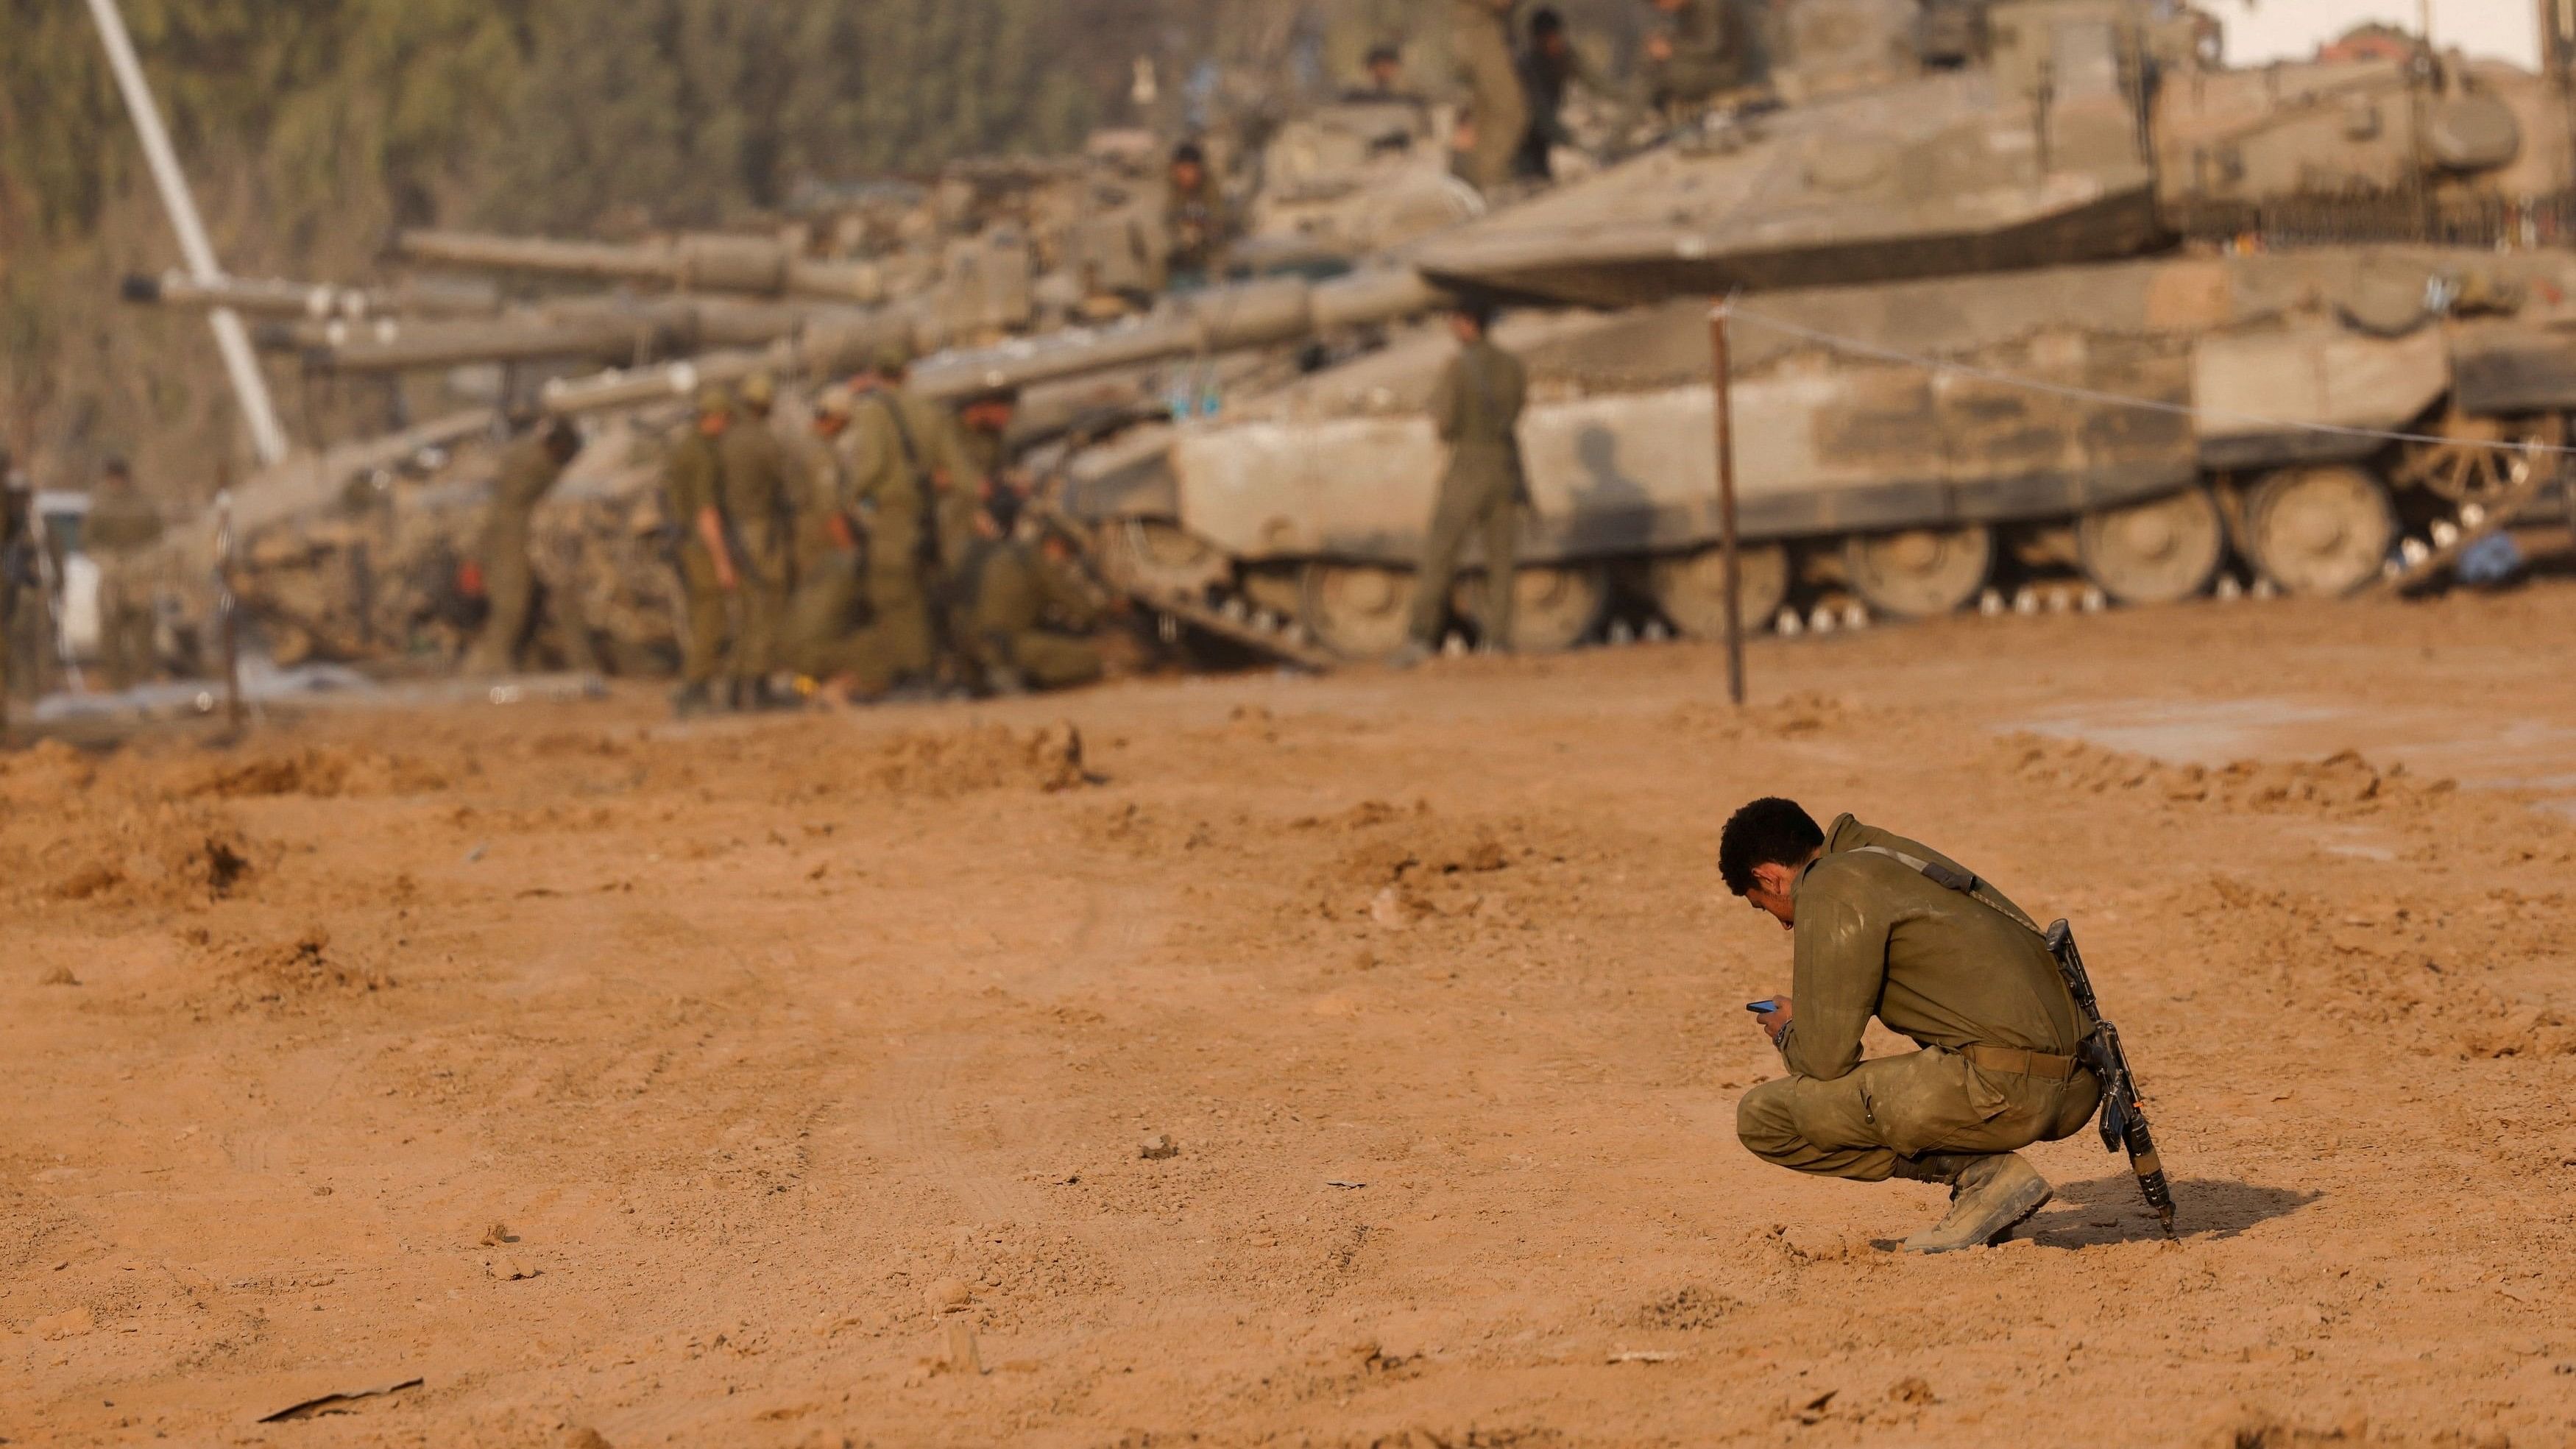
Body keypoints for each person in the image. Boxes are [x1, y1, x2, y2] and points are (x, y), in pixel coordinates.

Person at [1719, 798, 2105, 1253]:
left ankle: (1984, 1178)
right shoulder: (1883, 855)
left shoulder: (1831, 884)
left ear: (1770, 877)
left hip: (2011, 1088)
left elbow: (1825, 1060)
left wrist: (1788, 1030)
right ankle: (1990, 1180)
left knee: (1765, 1118)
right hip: (2079, 1079)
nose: (1785, 925)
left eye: (1764, 906)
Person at [838, 339, 980, 695]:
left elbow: (873, 464)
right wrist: (977, 497)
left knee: (895, 595)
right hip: (926, 511)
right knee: (929, 590)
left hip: (893, 514)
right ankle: (953, 670)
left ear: (876, 374)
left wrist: (851, 496)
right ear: (907, 373)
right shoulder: (929, 410)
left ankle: (917, 674)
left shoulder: (872, 410)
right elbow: (958, 467)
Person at [1400, 302, 1526, 660]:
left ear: (1469, 322)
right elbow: (1517, 411)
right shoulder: (1511, 365)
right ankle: (1499, 640)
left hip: (1468, 469)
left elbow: (1444, 425)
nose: (1452, 327)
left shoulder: (1458, 368)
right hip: (1504, 468)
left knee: (1440, 553)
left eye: (1456, 320)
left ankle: (1420, 637)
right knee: (1501, 560)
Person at [463, 417, 589, 676]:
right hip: (509, 537)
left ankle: (523, 662)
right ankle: (489, 665)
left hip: (519, 535)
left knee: (530, 604)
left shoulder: (526, 452)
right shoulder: (535, 462)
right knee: (512, 604)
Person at [947, 492, 1105, 695]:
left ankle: (997, 674)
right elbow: (1084, 609)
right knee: (1092, 658)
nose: (1066, 561)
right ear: (1056, 545)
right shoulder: (1039, 562)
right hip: (1002, 647)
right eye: (1068, 553)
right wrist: (1112, 610)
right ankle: (1011, 676)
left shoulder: (1013, 551)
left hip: (969, 644)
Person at [716, 372, 796, 707]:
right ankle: (757, 686)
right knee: (766, 607)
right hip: (759, 530)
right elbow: (783, 486)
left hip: (729, 530)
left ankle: (735, 687)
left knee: (744, 610)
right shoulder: (765, 441)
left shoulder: (725, 440)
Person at [662, 386, 736, 716]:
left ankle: (693, 686)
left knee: (700, 615)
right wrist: (723, 563)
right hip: (701, 545)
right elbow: (707, 513)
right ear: (717, 418)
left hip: (684, 542)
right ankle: (695, 688)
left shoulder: (684, 447)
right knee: (711, 618)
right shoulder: (703, 453)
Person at [84, 457, 165, 692]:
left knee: (143, 635)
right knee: (110, 634)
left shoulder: (143, 504)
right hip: (112, 576)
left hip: (140, 576)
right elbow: (89, 542)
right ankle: (115, 685)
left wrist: (144, 560)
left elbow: (158, 539)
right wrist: (107, 560)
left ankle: (143, 685)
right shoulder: (99, 504)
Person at [1449, 0, 1529, 192]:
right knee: (1511, 111)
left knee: (1487, 114)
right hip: (1478, 30)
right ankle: (1489, 180)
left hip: (1478, 28)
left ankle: (1480, 183)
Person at [1513, 7, 1596, 179]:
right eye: (1548, 39)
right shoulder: (1528, 68)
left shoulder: (1567, 56)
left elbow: (1597, 84)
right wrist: (1571, 141)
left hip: (1549, 133)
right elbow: (1540, 113)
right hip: (1526, 139)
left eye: (1556, 37)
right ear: (1537, 41)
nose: (1554, 43)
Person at [1643, 0, 1762, 113]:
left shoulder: (1707, 5)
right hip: (1716, 66)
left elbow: (1710, 46)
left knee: (1670, 74)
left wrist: (1671, 47)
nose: (1662, 8)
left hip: (1730, 70)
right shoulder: (1687, 10)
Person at [1161, 141, 1232, 291]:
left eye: (1189, 169)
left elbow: (1218, 217)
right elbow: (1166, 217)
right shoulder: (1169, 189)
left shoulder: (1209, 187)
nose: (1185, 175)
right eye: (1181, 169)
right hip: (1177, 260)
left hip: (1207, 257)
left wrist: (1201, 224)